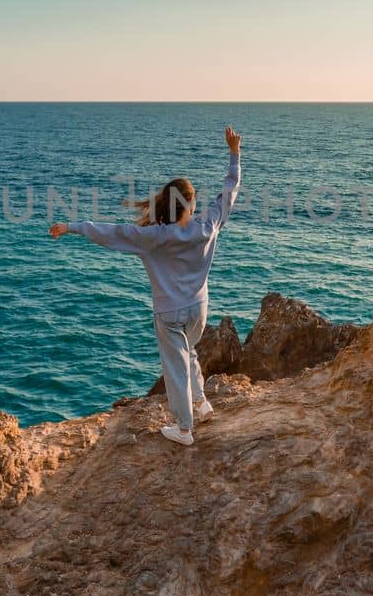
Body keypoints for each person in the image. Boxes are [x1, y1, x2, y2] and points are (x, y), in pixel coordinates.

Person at [50, 126, 242, 447]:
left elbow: (111, 233)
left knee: (175, 367)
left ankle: (184, 429)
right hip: (199, 310)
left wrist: (72, 227)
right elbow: (230, 190)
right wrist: (234, 153)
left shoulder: (153, 237)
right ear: (191, 203)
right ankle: (202, 404)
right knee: (189, 351)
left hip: (169, 312)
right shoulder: (207, 227)